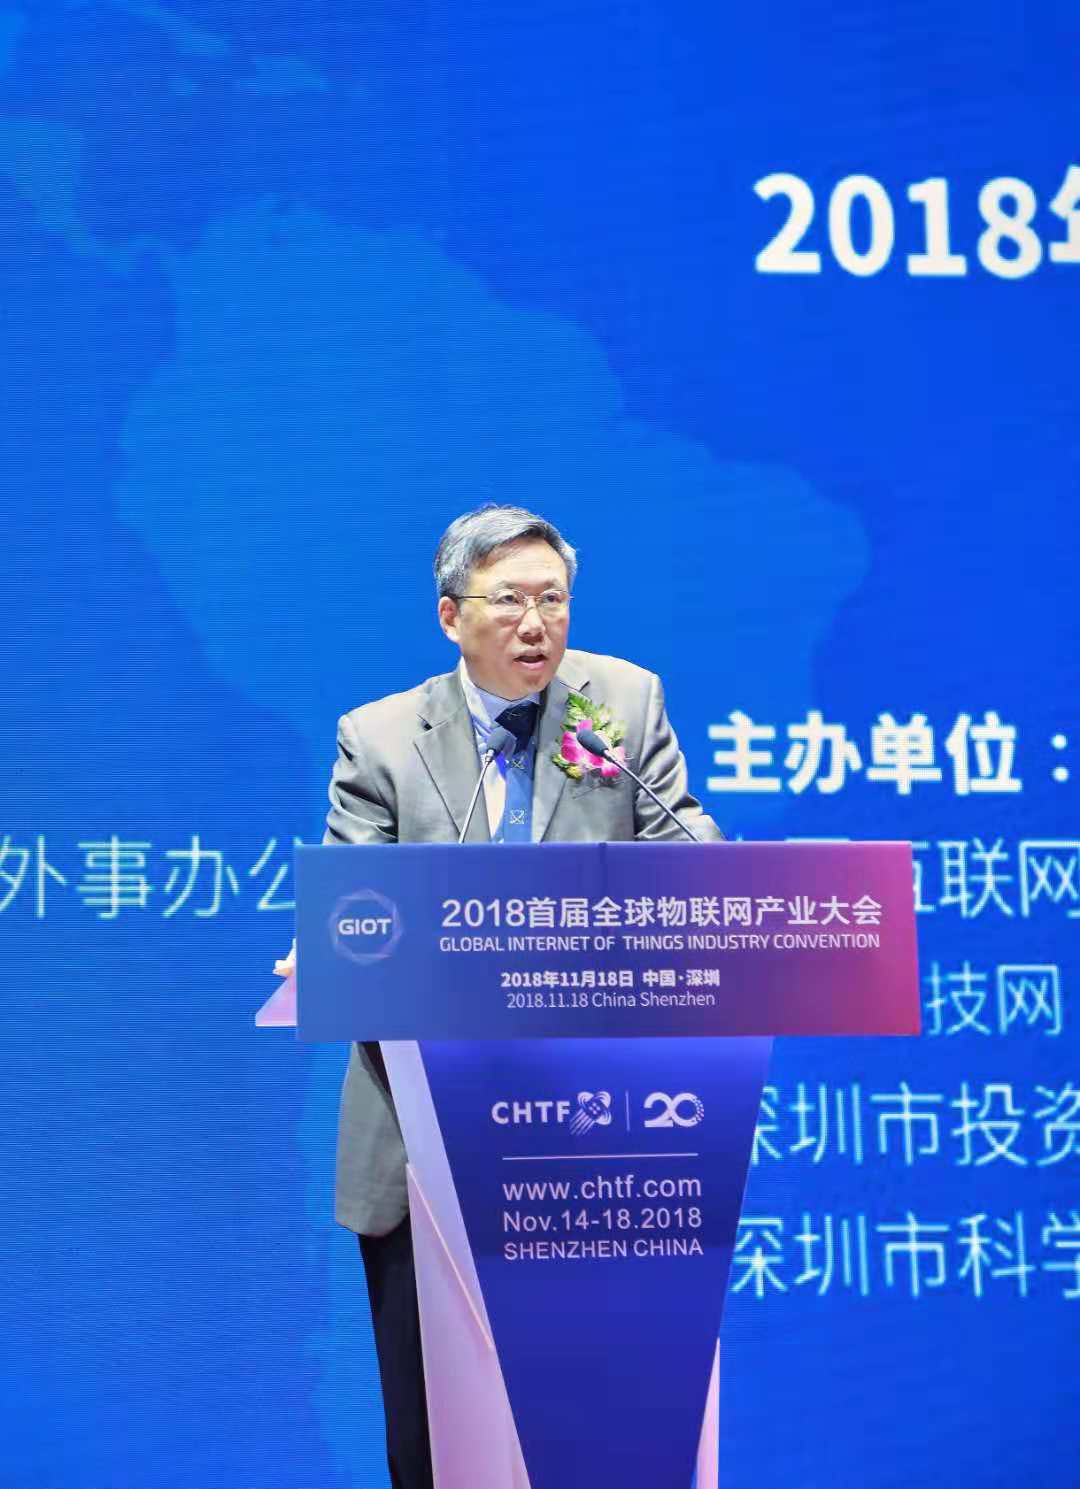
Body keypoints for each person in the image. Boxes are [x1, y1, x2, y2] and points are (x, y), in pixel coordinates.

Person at [275, 504, 722, 1489]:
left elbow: (687, 852)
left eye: (552, 599)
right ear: (451, 616)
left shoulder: (621, 701)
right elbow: (355, 903)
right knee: (435, 1446)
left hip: (595, 1138)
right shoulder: (382, 738)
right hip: (422, 1143)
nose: (535, 623)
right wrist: (331, 948)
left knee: (595, 1437)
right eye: (510, 599)